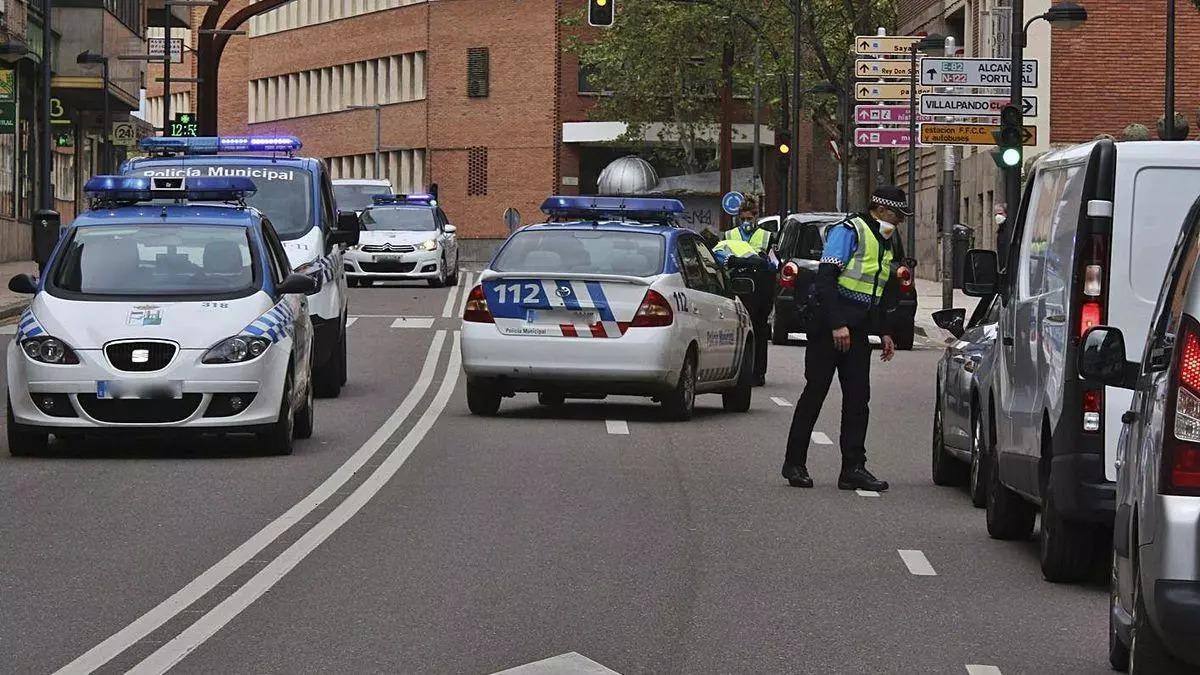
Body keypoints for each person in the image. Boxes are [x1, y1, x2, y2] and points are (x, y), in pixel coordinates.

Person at [781, 185, 906, 492]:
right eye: (895, 214)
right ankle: (794, 464)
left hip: (860, 329)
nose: (899, 220)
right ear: (878, 208)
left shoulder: (886, 241)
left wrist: (886, 331)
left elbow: (877, 290)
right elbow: (826, 280)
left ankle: (853, 468)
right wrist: (837, 324)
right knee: (815, 393)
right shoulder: (849, 230)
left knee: (858, 399)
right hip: (830, 327)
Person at [715, 197, 776, 386]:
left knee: (759, 330)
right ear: (738, 218)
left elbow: (775, 264)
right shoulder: (729, 235)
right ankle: (736, 371)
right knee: (736, 331)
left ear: (756, 217)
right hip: (737, 289)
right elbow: (719, 256)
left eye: (750, 218)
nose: (746, 223)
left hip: (760, 290)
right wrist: (735, 261)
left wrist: (764, 262)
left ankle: (758, 373)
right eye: (743, 219)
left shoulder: (767, 236)